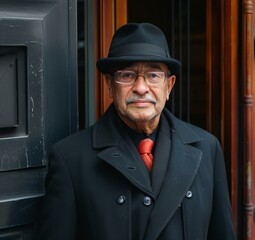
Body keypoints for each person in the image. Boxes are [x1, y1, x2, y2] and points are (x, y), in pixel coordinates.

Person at [36, 22, 235, 240]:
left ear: (169, 86)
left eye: (153, 75)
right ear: (110, 85)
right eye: (127, 75)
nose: (141, 87)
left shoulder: (207, 149)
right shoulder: (71, 160)